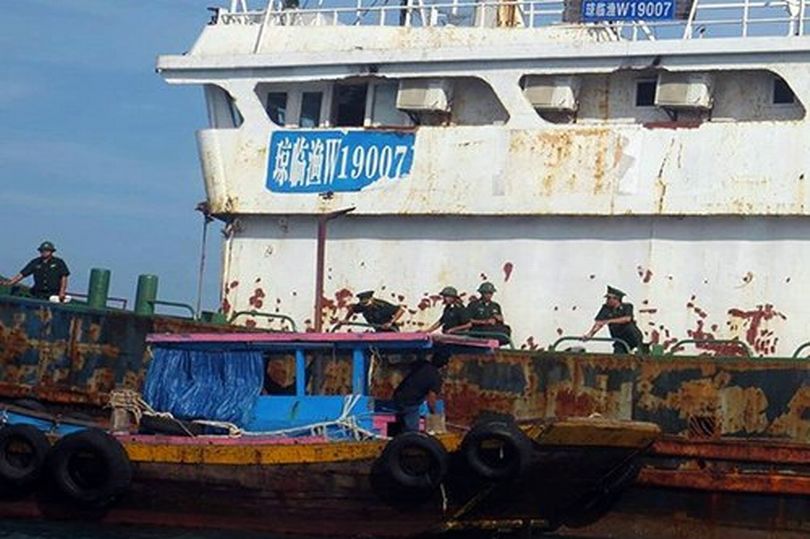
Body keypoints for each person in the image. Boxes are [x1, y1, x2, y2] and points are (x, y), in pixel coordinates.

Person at [392, 351, 449, 432]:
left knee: (400, 425)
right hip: (411, 402)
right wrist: (434, 413)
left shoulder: (422, 364)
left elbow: (410, 365)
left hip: (398, 396)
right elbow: (431, 400)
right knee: (412, 431)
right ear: (444, 366)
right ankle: (409, 441)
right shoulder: (436, 378)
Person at [584, 285, 645, 354]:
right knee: (618, 354)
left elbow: (627, 319)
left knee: (639, 355)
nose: (607, 301)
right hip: (619, 338)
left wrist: (608, 321)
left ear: (616, 299)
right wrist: (590, 334)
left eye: (609, 298)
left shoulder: (627, 306)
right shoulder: (605, 308)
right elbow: (599, 323)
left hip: (632, 336)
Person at [3, 241, 70, 302]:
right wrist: (11, 282)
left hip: (53, 294)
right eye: (42, 250)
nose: (44, 252)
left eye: (47, 250)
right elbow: (23, 274)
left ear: (51, 251)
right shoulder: (35, 262)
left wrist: (62, 291)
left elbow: (64, 277)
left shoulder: (59, 262)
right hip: (38, 294)